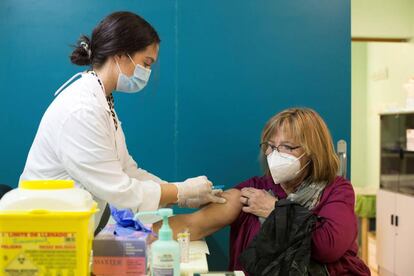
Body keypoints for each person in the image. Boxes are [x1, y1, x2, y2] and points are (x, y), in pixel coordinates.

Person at [20, 11, 225, 230]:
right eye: (146, 63)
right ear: (119, 54)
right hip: (43, 235)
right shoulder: (82, 110)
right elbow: (118, 189)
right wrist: (180, 192)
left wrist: (179, 192)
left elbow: (126, 169)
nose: (147, 72)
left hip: (71, 229)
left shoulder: (102, 101)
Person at [158, 108, 370, 275]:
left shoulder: (336, 190)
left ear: (313, 152)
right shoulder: (253, 190)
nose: (276, 154)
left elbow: (328, 247)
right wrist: (134, 233)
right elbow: (193, 225)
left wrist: (276, 211)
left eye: (288, 146)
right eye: (271, 146)